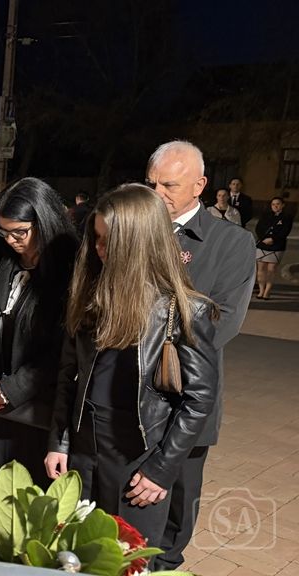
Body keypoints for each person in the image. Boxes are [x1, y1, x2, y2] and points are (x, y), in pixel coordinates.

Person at [45, 183, 219, 553]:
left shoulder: (183, 310)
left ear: (140, 243)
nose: (99, 249)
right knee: (74, 554)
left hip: (138, 460)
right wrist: (60, 442)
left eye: (109, 241)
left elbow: (199, 400)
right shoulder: (90, 296)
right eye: (96, 238)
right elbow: (68, 375)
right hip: (83, 451)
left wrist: (162, 468)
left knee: (129, 560)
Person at [144, 141, 254, 570]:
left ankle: (166, 565)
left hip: (187, 393)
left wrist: (155, 350)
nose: (157, 194)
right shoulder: (135, 229)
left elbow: (222, 322)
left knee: (178, 499)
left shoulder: (231, 242)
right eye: (152, 184)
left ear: (199, 185)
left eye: (169, 185)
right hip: (128, 392)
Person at [0, 178, 78, 487]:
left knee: (37, 501)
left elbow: (61, 352)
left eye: (20, 232)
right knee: (0, 493)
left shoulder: (70, 272)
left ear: (45, 222)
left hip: (37, 411)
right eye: (4, 232)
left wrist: (8, 391)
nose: (11, 240)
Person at [254, 196, 293, 300]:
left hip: (277, 245)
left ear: (283, 205)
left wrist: (273, 239)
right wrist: (263, 239)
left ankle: (267, 291)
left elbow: (285, 231)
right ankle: (261, 290)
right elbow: (258, 228)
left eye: (278, 204)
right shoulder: (265, 215)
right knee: (261, 269)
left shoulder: (287, 217)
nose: (275, 206)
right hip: (263, 244)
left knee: (271, 270)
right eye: (273, 204)